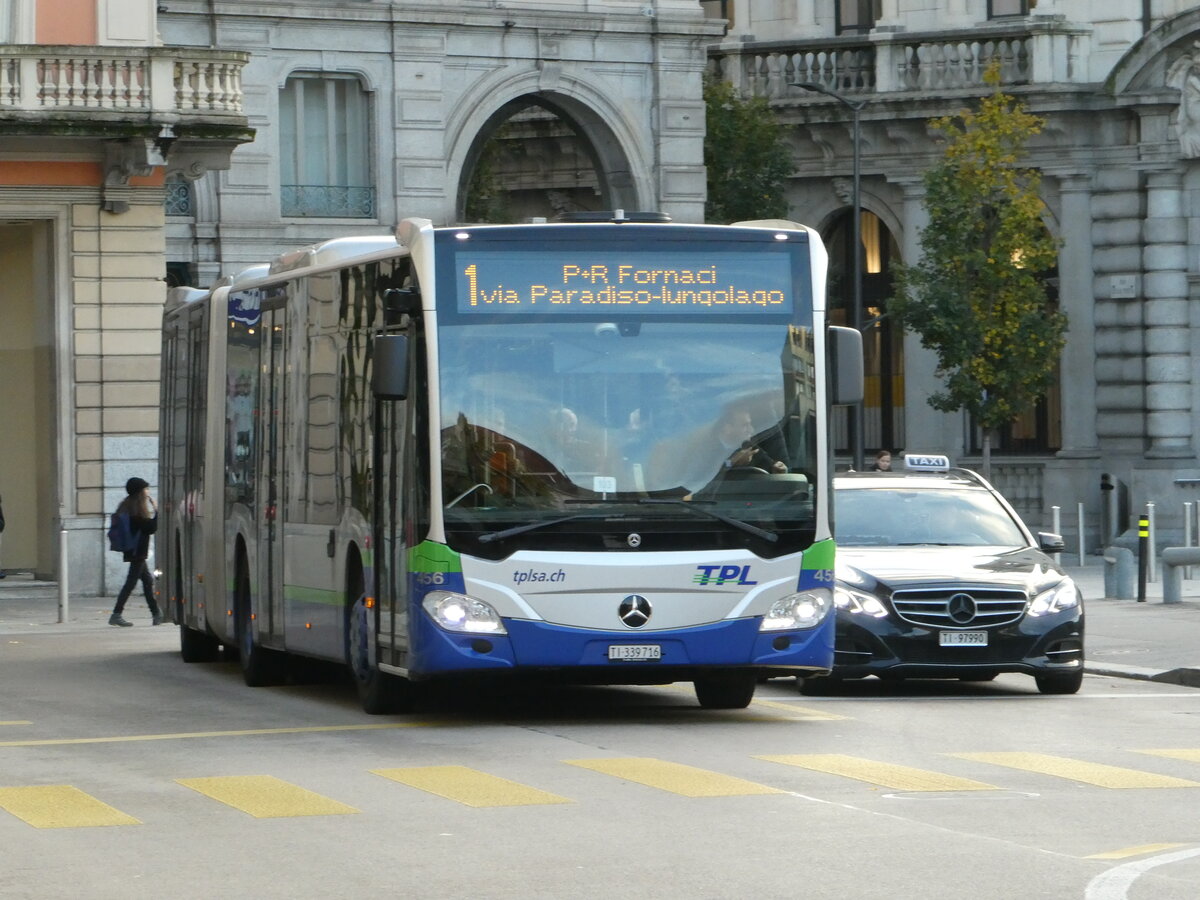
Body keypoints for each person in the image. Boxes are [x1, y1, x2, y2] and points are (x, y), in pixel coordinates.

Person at [109, 477, 162, 627]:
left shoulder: (127, 505)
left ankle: (156, 614)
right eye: (146, 489)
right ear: (140, 492)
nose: (148, 492)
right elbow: (150, 528)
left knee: (147, 581)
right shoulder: (135, 510)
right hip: (137, 552)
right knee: (130, 583)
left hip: (135, 551)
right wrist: (157, 511)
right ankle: (116, 614)